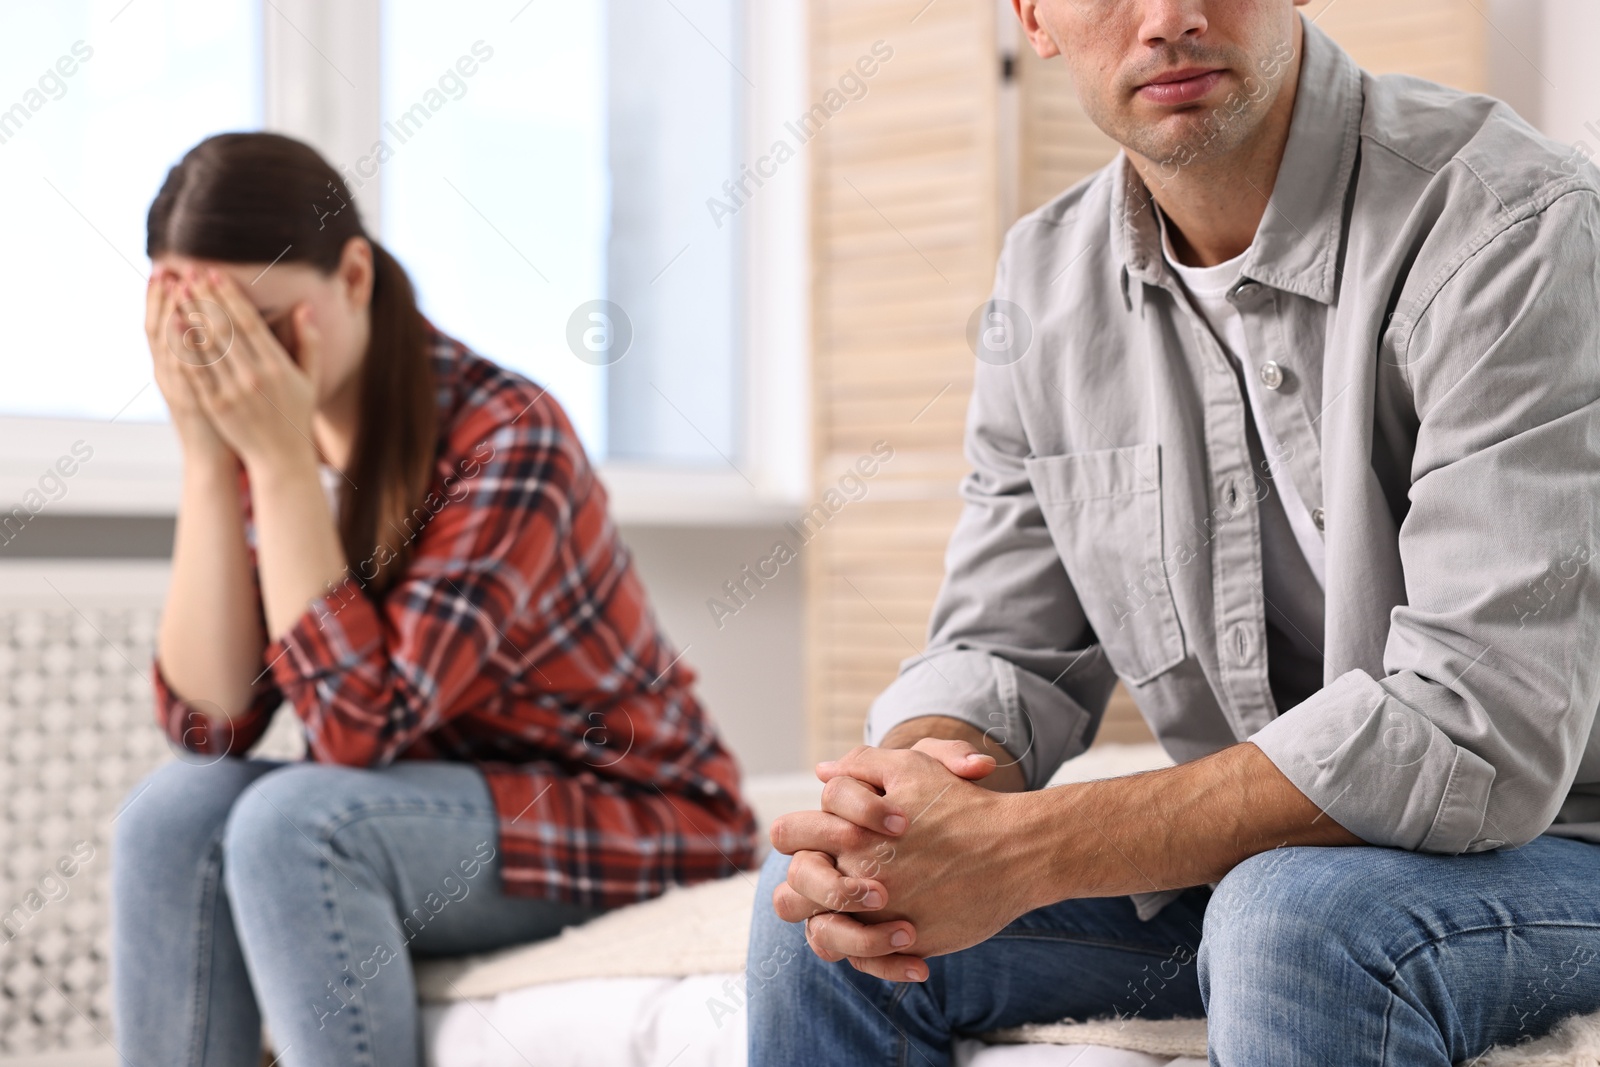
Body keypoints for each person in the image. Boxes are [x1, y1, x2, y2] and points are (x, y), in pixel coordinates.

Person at [747, 1, 1600, 1064]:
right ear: (1034, 18)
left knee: (1295, 917)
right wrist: (902, 799)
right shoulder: (1046, 278)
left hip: (1560, 841)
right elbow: (1003, 649)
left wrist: (1030, 847)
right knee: (834, 919)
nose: (1168, 19)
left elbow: (1479, 723)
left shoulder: (1508, 221)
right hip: (1268, 863)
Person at [112, 131, 758, 1067]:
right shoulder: (268, 434)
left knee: (297, 826)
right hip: (426, 810)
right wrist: (211, 458)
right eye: (203, 330)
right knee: (172, 812)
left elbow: (354, 737)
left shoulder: (508, 437)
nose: (237, 365)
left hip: (623, 807)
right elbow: (210, 726)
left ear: (356, 276)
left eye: (261, 323)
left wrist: (283, 462)